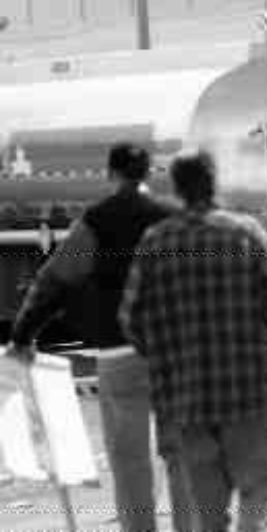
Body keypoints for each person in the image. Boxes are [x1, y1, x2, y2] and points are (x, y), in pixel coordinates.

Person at [5, 142, 182, 531]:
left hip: (119, 354)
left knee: (129, 458)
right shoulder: (174, 219)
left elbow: (56, 281)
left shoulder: (97, 221)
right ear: (150, 172)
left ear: (111, 174)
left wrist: (23, 335)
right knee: (183, 452)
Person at [118, 149, 267, 531]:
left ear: (177, 188)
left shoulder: (154, 242)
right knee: (263, 484)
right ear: (213, 181)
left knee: (207, 511)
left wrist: (168, 355)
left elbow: (131, 320)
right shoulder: (245, 233)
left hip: (186, 401)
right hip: (247, 394)